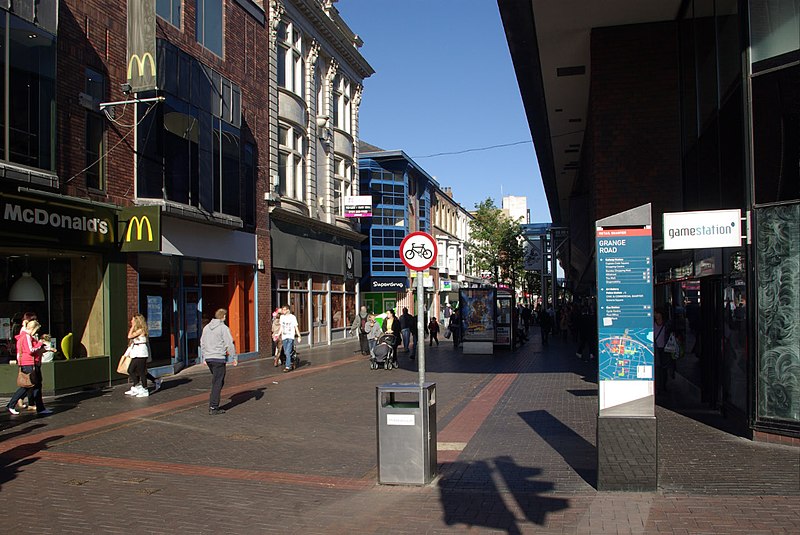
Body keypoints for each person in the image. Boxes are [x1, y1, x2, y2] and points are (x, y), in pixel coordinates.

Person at [7, 320, 51, 416]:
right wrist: (40, 344)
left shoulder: (24, 335)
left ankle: (40, 408)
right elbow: (30, 350)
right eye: (36, 330)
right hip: (28, 363)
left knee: (36, 386)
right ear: (33, 328)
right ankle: (11, 404)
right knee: (28, 386)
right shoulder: (26, 336)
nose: (36, 332)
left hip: (29, 363)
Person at [200, 308, 237, 415]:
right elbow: (229, 344)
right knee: (217, 382)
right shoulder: (223, 328)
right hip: (218, 358)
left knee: (217, 380)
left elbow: (202, 342)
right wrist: (234, 357)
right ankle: (213, 407)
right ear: (224, 316)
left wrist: (204, 357)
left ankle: (213, 403)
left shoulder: (207, 327)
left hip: (209, 358)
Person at [125, 314, 152, 398]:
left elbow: (129, 336)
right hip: (136, 352)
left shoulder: (141, 330)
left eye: (133, 320)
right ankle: (137, 386)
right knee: (131, 370)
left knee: (141, 372)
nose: (131, 322)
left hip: (141, 353)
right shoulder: (139, 330)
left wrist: (132, 327)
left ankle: (144, 389)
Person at [653, 307, 673, 394]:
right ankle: (658, 387)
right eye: (655, 313)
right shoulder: (652, 324)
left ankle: (663, 386)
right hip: (656, 348)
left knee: (664, 369)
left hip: (665, 348)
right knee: (657, 368)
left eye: (657, 313)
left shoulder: (667, 324)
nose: (656, 315)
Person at [280, 305, 300, 372]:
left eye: (284, 310)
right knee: (286, 352)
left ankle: (287, 366)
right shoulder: (282, 317)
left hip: (290, 337)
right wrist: (278, 334)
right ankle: (293, 358)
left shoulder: (293, 317)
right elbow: (281, 327)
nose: (283, 311)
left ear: (288, 310)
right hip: (284, 337)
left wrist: (299, 336)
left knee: (287, 352)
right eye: (282, 310)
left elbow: (296, 327)